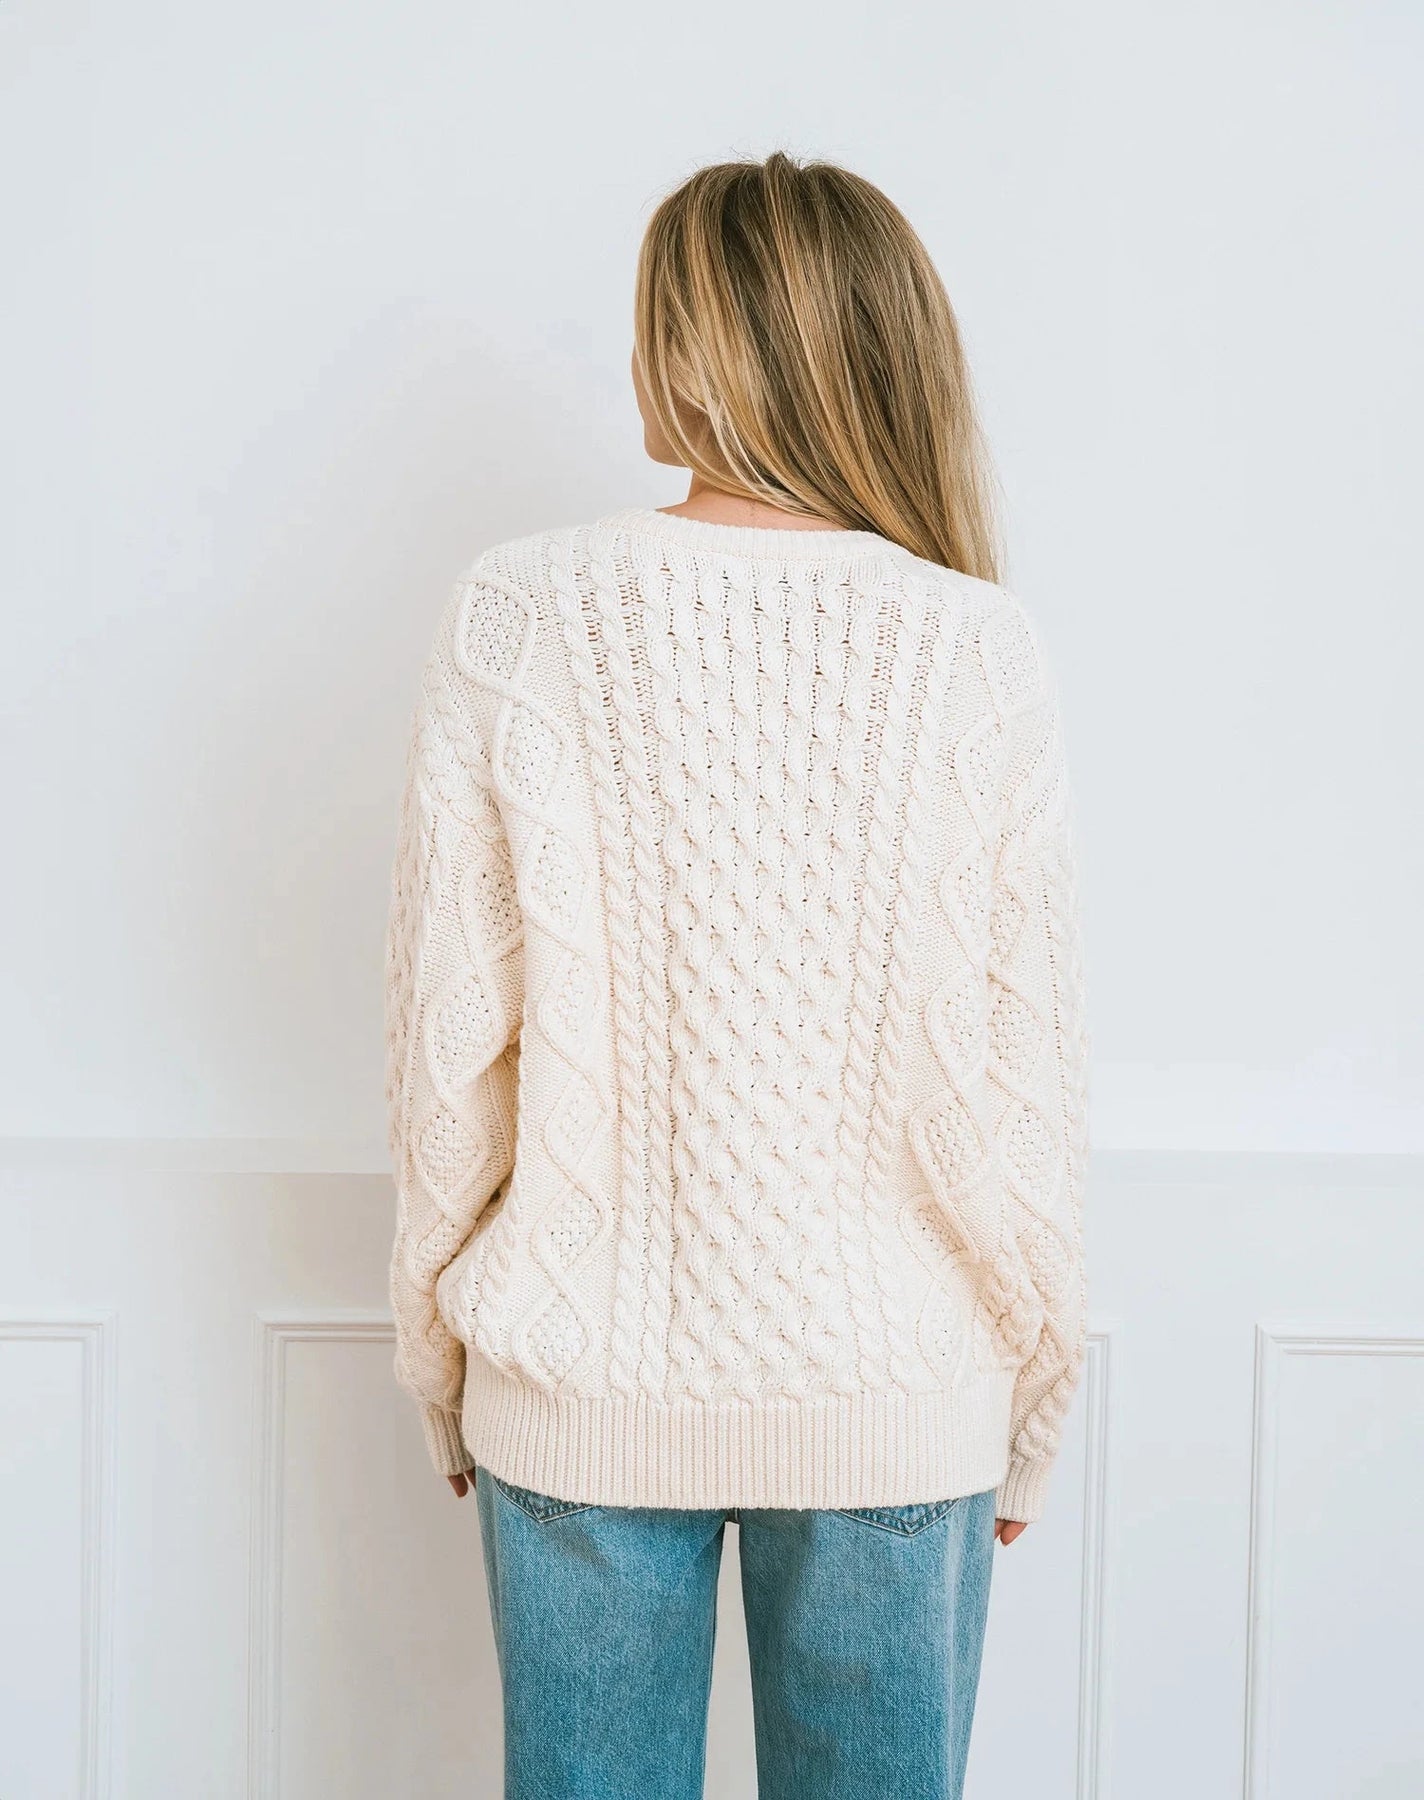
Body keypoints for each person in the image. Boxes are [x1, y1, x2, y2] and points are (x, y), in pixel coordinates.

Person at [383, 150, 1090, 1800]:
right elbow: (1025, 1081)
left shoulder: (518, 614)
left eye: (653, 321)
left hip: (577, 1384)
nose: (632, 357)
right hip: (898, 1394)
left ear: (702, 350)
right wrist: (1036, 1398)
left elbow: (448, 1055)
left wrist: (435, 1361)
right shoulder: (976, 646)